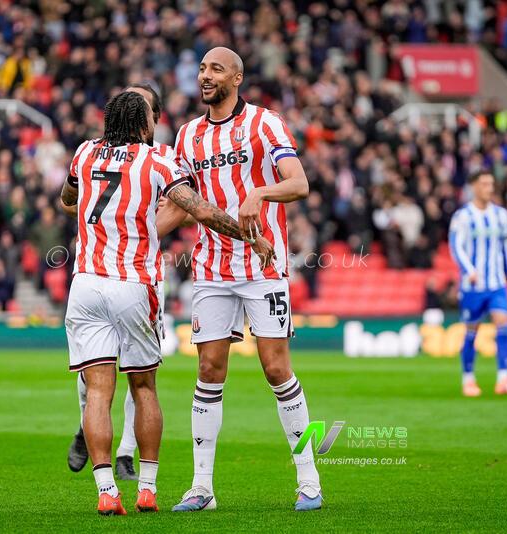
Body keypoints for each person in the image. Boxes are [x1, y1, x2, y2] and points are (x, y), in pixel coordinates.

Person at [60, 90, 273, 516]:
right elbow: (202, 211)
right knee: (143, 387)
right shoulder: (158, 159)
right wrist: (251, 235)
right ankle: (148, 489)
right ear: (144, 123)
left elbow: (68, 202)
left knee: (98, 392)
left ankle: (106, 492)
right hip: (133, 283)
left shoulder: (83, 153)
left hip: (85, 283)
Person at [163, 47, 322, 512]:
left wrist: (260, 191)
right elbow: (180, 203)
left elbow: (299, 183)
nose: (204, 76)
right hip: (211, 268)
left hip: (263, 267)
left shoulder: (264, 124)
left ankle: (309, 479)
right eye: (201, 69)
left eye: (215, 69)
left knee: (277, 369)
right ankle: (202, 488)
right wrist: (136, 234)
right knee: (209, 371)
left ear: (237, 77)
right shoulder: (188, 135)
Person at [66, 83, 176, 482]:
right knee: (124, 378)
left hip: (119, 274)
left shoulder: (158, 159)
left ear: (154, 118)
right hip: (116, 275)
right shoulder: (156, 161)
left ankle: (125, 453)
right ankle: (92, 432)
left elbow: (69, 197)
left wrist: (139, 231)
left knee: (128, 377)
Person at [449, 171, 507, 397]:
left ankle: (504, 378)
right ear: (473, 187)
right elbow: (456, 246)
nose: (489, 188)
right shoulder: (462, 216)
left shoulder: (501, 215)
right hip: (473, 286)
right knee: (472, 330)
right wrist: (469, 271)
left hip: (497, 282)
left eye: (491, 183)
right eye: (484, 184)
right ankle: (468, 379)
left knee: (503, 321)